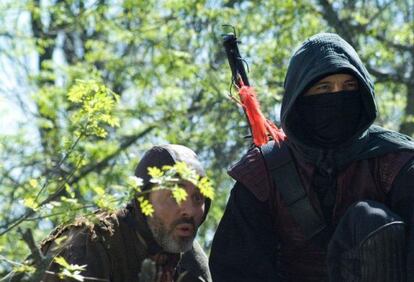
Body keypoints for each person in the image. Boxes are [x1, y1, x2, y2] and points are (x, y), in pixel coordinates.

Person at [209, 32, 414, 282]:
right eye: (324, 88)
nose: (337, 96)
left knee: (371, 220)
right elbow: (236, 268)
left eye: (348, 86)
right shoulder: (263, 172)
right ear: (300, 97)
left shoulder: (396, 162)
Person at [40, 144, 212, 282]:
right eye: (175, 196)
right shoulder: (91, 240)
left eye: (197, 198)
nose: (189, 211)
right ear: (143, 201)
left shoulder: (189, 258)